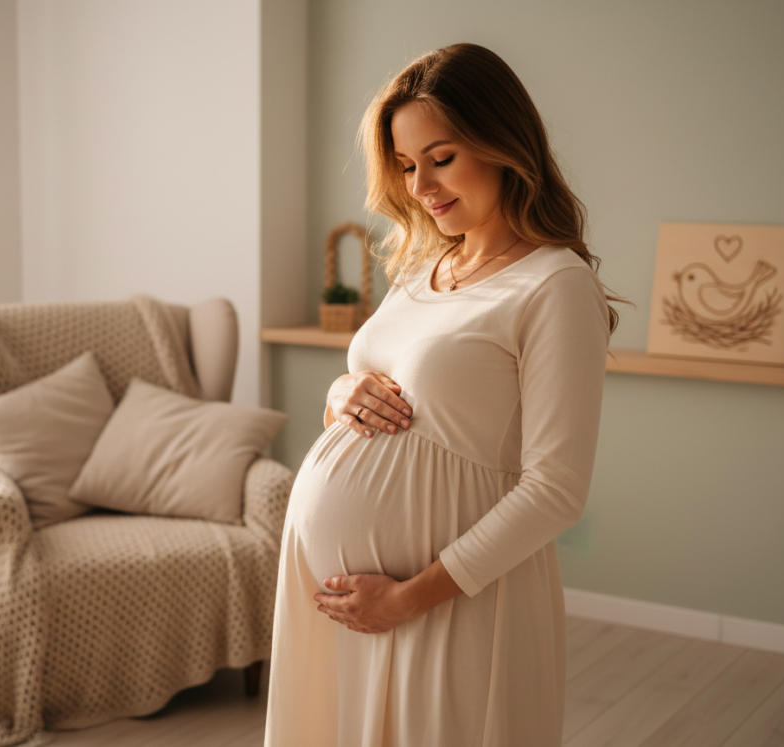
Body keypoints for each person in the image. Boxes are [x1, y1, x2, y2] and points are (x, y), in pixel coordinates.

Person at [264, 43, 621, 747]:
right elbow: (376, 386)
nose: (421, 184)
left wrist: (405, 597)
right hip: (346, 606)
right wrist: (343, 391)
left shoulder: (554, 285)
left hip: (449, 604)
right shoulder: (426, 265)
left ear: (504, 142)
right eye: (405, 165)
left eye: (442, 156)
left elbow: (557, 489)